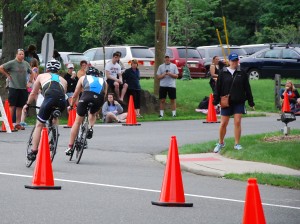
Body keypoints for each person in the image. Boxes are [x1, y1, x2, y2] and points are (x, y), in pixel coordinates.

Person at [23, 59, 67, 162]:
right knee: (55, 115)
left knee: (39, 124)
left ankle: (33, 151)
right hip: (61, 101)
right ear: (58, 70)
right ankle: (54, 131)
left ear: (47, 69)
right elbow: (62, 93)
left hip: (49, 99)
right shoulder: (63, 80)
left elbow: (33, 93)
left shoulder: (41, 76)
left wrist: (27, 104)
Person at [213, 53, 255, 153]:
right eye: (233, 60)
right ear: (229, 61)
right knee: (223, 123)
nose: (235, 62)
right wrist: (216, 100)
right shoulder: (223, 73)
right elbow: (217, 87)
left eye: (236, 60)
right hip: (226, 101)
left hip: (239, 101)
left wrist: (251, 101)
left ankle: (237, 143)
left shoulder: (242, 73)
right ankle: (221, 142)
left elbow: (247, 88)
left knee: (237, 122)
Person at [65, 66, 107, 155]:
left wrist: (71, 105)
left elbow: (76, 93)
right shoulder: (104, 81)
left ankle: (70, 146)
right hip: (98, 99)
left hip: (86, 96)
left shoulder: (83, 78)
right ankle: (91, 128)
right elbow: (104, 95)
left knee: (77, 121)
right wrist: (98, 109)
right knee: (93, 113)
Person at [0, 48, 34, 130]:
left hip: (23, 87)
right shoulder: (12, 63)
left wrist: (30, 82)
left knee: (20, 106)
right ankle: (10, 123)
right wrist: (7, 75)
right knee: (12, 106)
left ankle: (17, 123)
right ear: (16, 55)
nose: (21, 56)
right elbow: (1, 67)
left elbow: (32, 72)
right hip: (13, 87)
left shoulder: (26, 64)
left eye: (23, 54)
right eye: (20, 54)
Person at [156, 53, 179, 118]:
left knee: (172, 100)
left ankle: (174, 114)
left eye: (168, 57)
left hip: (171, 85)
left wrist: (170, 74)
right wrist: (163, 75)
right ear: (164, 59)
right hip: (163, 85)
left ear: (170, 58)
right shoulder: (161, 66)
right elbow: (158, 77)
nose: (167, 59)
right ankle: (161, 114)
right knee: (162, 100)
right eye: (166, 57)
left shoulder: (174, 66)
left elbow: (176, 76)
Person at [20, 58, 39, 127]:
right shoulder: (35, 69)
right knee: (38, 104)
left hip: (28, 87)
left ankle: (22, 120)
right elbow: (35, 78)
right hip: (34, 87)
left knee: (27, 103)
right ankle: (40, 119)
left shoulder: (29, 69)